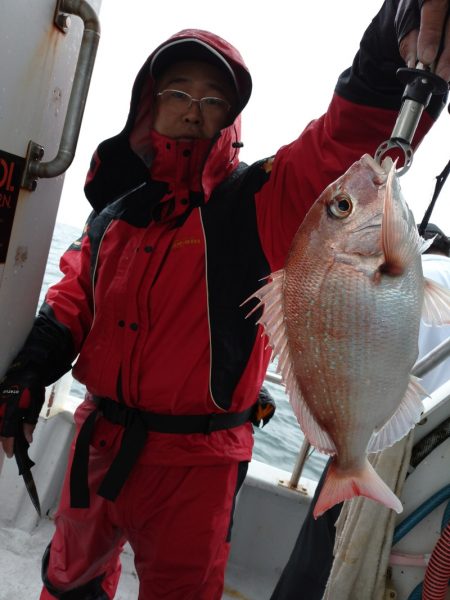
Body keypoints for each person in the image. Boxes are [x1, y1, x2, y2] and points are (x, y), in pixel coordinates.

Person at [0, 1, 449, 598]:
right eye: (177, 92)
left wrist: (384, 56)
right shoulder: (114, 217)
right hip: (98, 441)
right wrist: (28, 374)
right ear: (148, 107)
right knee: (67, 581)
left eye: (213, 98)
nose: (193, 109)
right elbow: (71, 301)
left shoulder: (256, 203)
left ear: (231, 117)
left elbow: (341, 144)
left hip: (199, 466)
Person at [269, 222, 450, 600]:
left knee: (315, 566)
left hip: (368, 443)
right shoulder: (423, 279)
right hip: (426, 472)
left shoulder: (419, 275)